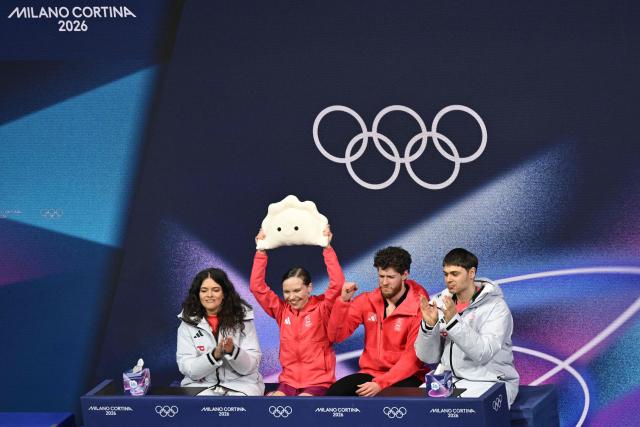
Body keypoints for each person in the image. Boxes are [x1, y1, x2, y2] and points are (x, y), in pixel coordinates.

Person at [414, 248, 519, 406]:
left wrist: (453, 322)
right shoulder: (440, 303)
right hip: (448, 379)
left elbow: (483, 353)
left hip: (490, 380)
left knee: (467, 415)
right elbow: (427, 357)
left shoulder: (496, 307)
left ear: (471, 273)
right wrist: (429, 327)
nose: (448, 279)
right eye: (446, 274)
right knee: (417, 412)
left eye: (455, 274)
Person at [251, 226, 345, 396]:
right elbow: (256, 287)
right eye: (287, 292)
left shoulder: (323, 308)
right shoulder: (281, 311)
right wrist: (261, 252)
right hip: (289, 382)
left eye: (297, 291)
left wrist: (327, 248)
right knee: (271, 406)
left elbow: (337, 285)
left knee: (301, 406)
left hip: (319, 383)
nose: (291, 297)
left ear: (309, 288)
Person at [326, 246, 429, 396]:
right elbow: (335, 336)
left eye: (390, 277)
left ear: (404, 274)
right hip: (371, 372)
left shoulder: (420, 307)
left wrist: (380, 384)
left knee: (386, 397)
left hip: (408, 375)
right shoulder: (366, 301)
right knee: (335, 393)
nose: (384, 282)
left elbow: (412, 359)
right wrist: (342, 302)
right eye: (381, 276)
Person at [176, 267, 264, 396]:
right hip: (201, 385)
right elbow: (189, 369)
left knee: (241, 400)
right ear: (197, 294)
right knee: (203, 401)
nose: (209, 295)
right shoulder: (187, 323)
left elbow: (250, 366)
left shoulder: (243, 319)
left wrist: (233, 351)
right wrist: (213, 356)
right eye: (204, 291)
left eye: (216, 290)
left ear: (224, 294)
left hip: (242, 384)